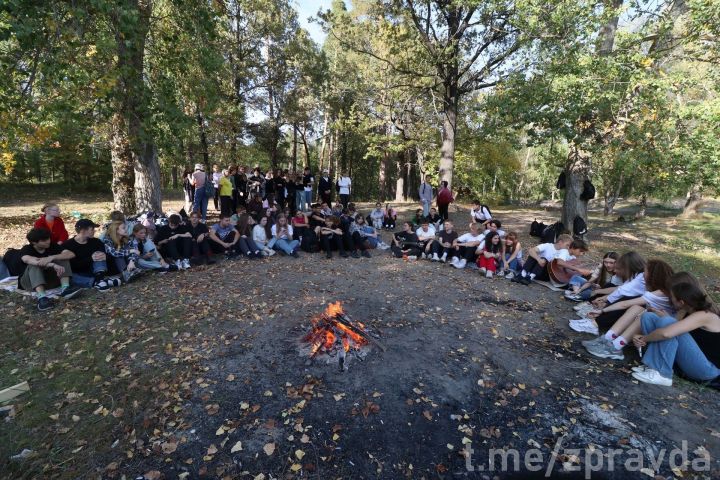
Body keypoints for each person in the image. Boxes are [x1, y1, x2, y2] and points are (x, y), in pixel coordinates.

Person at [631, 279, 720, 387]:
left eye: (671, 298)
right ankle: (652, 366)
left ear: (681, 302)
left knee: (668, 324)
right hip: (692, 361)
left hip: (708, 371)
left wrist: (643, 338)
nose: (670, 300)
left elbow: (666, 334)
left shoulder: (704, 315)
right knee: (648, 317)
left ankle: (662, 374)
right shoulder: (689, 312)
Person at [582, 259, 675, 359]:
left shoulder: (658, 293)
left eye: (646, 271)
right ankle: (607, 338)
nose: (643, 274)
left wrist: (602, 310)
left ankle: (616, 347)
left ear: (653, 275)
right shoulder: (662, 290)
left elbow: (625, 304)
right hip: (658, 325)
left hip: (663, 330)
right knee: (636, 308)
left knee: (642, 313)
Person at [17, 228, 83, 311]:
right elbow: (29, 260)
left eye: (48, 238)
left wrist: (52, 257)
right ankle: (42, 298)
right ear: (34, 242)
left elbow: (70, 254)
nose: (48, 241)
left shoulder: (52, 245)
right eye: (44, 240)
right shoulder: (27, 249)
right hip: (31, 283)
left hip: (51, 281)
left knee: (62, 257)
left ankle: (65, 288)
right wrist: (52, 264)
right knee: (34, 265)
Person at [61, 219, 119, 291]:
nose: (94, 231)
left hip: (97, 270)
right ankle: (100, 282)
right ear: (83, 231)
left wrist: (105, 256)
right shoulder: (67, 245)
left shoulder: (96, 241)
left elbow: (108, 256)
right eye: (92, 229)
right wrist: (90, 259)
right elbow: (72, 265)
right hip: (80, 273)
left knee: (98, 255)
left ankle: (99, 280)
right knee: (71, 278)